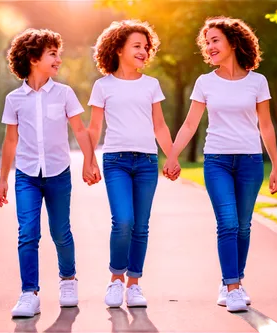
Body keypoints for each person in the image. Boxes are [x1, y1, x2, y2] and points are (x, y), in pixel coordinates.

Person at [164, 16, 277, 312]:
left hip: (250, 162)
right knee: (227, 223)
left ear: (232, 42)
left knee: (243, 226)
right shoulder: (205, 82)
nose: (210, 46)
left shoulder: (258, 81)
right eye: (207, 42)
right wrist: (173, 154)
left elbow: (265, 126)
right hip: (216, 160)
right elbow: (190, 124)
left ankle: (235, 282)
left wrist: (276, 167)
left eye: (215, 40)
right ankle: (231, 287)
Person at [0, 28, 101, 318]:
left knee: (60, 231)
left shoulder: (64, 93)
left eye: (59, 54)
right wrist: (3, 179)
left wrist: (90, 162)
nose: (58, 59)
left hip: (58, 173)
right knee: (27, 233)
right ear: (32, 58)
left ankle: (68, 280)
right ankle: (29, 293)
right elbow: (10, 141)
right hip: (26, 175)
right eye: (52, 54)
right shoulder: (14, 99)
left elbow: (79, 130)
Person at [87, 20, 179, 308]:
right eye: (136, 46)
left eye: (145, 46)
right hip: (115, 160)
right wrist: (88, 160)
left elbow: (160, 125)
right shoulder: (103, 86)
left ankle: (134, 284)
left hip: (147, 161)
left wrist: (172, 155)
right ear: (118, 49)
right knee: (123, 221)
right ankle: (115, 280)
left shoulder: (151, 85)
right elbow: (94, 128)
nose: (143, 51)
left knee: (141, 225)